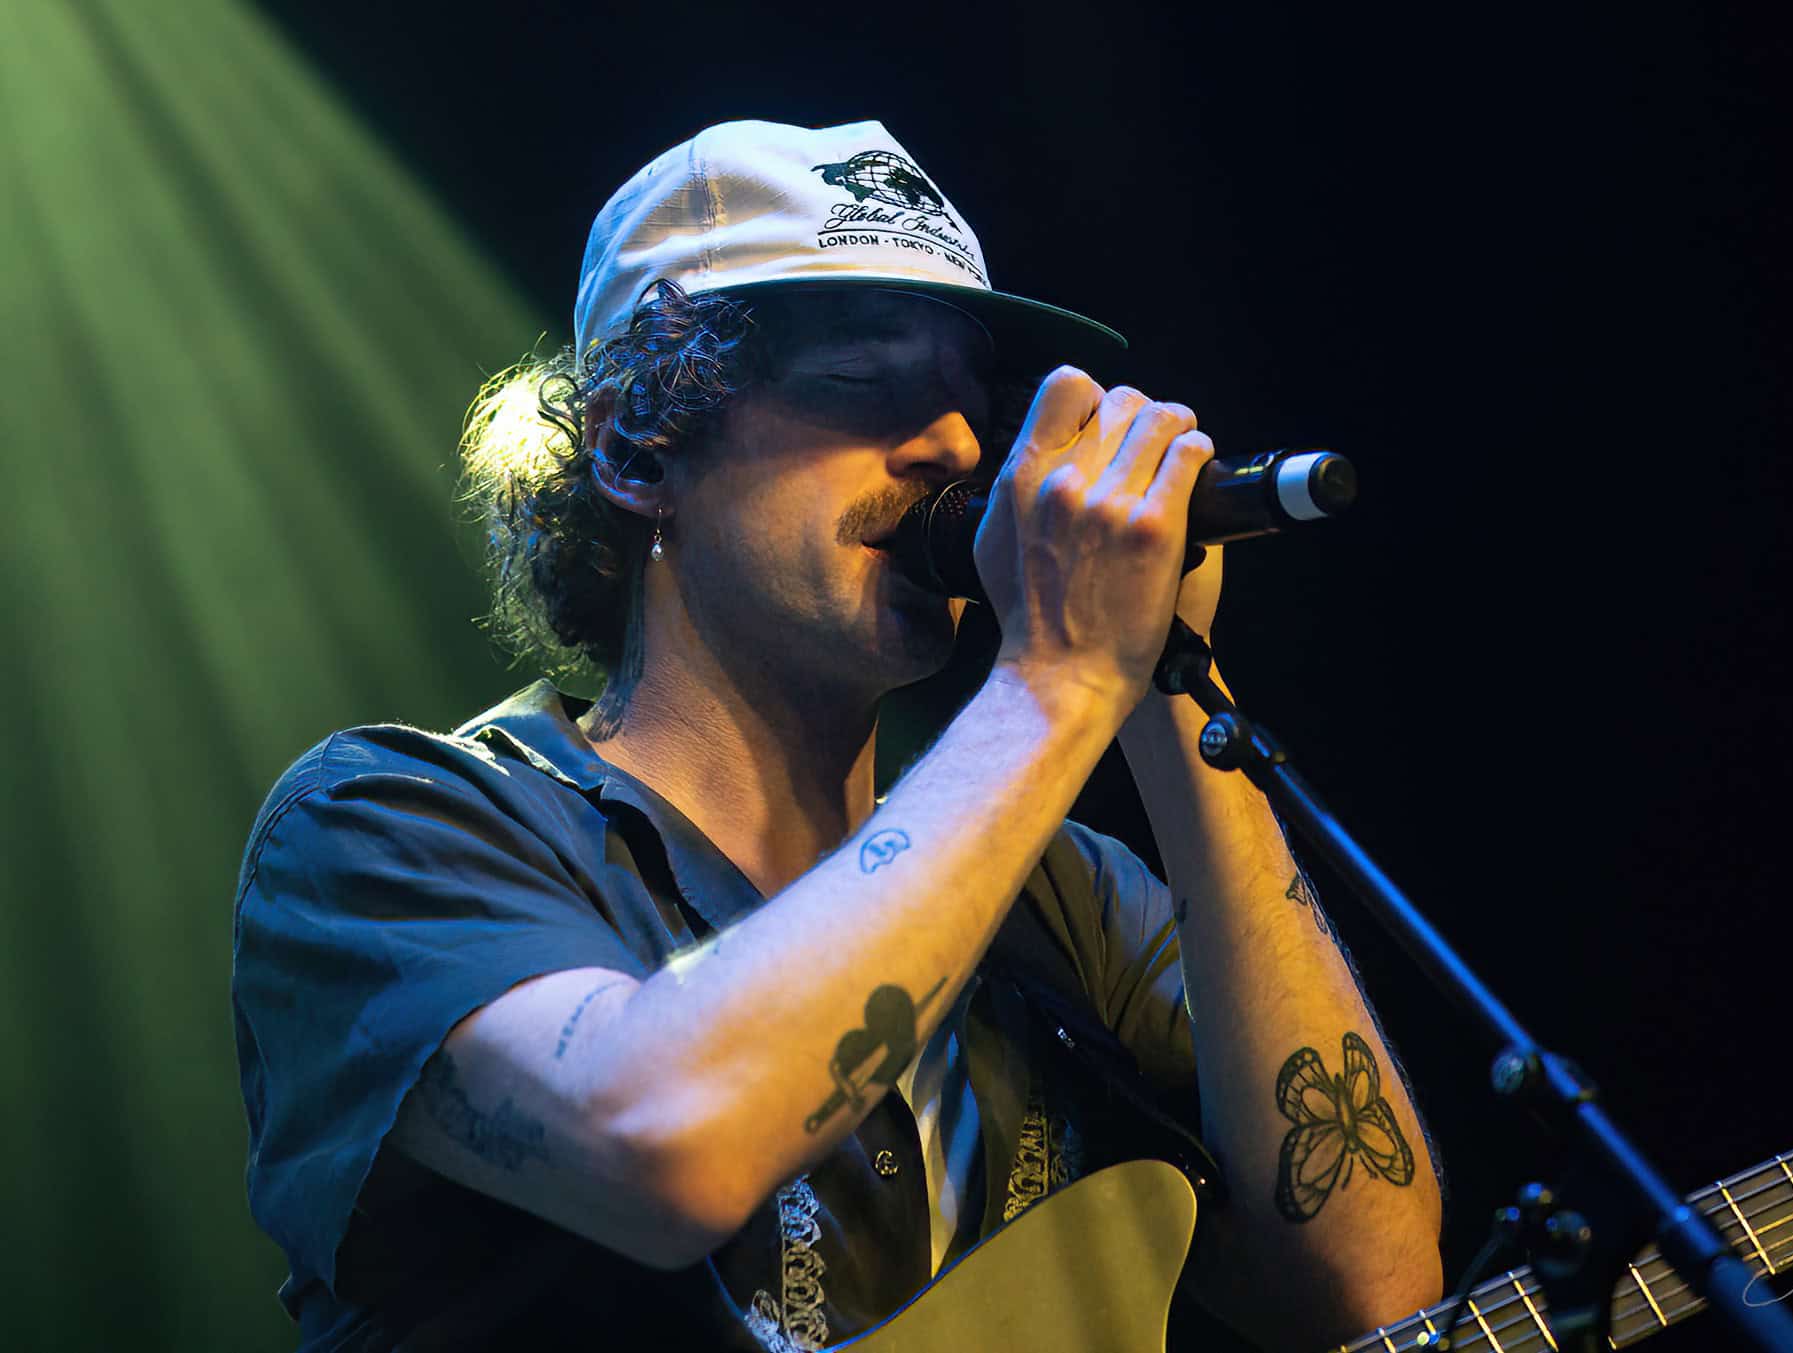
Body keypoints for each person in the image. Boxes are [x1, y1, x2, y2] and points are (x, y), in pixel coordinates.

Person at [231, 118, 1444, 1352]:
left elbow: (1376, 1289)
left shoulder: (1067, 897)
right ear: (636, 445)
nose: (957, 446)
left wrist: (1172, 689)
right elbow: (666, 1149)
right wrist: (1059, 676)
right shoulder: (386, 828)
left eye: (970, 402)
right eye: (864, 383)